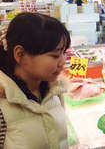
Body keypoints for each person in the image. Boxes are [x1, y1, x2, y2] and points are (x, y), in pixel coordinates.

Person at [0, 12, 71, 149]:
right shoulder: (3, 104)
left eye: (64, 53)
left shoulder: (54, 90)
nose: (63, 62)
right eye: (55, 55)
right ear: (20, 55)